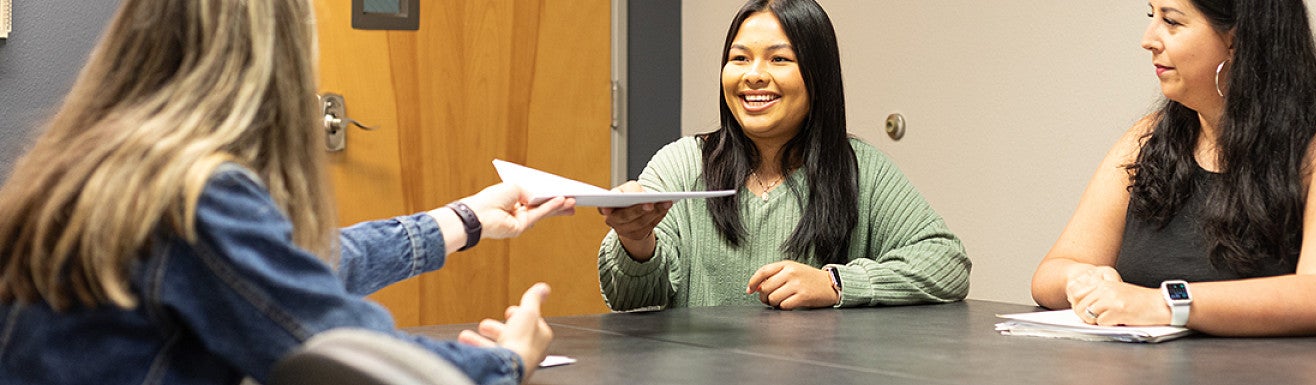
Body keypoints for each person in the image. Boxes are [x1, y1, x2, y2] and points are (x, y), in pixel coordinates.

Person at [0, 0, 576, 384]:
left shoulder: (88, 170)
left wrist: (465, 218)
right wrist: (508, 360)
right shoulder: (192, 194)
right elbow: (351, 355)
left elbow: (284, 270)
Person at [1030, 0, 1316, 338]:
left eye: (1172, 22)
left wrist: (1163, 304)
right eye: (1152, 17)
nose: (1149, 39)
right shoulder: (1147, 138)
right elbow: (1052, 273)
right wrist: (1082, 281)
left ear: (1236, 39)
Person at [597, 0, 970, 311]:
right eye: (740, 58)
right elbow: (630, 300)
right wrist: (637, 240)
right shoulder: (682, 163)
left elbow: (947, 263)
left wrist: (836, 283)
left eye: (779, 60)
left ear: (816, 76)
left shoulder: (858, 167)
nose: (754, 75)